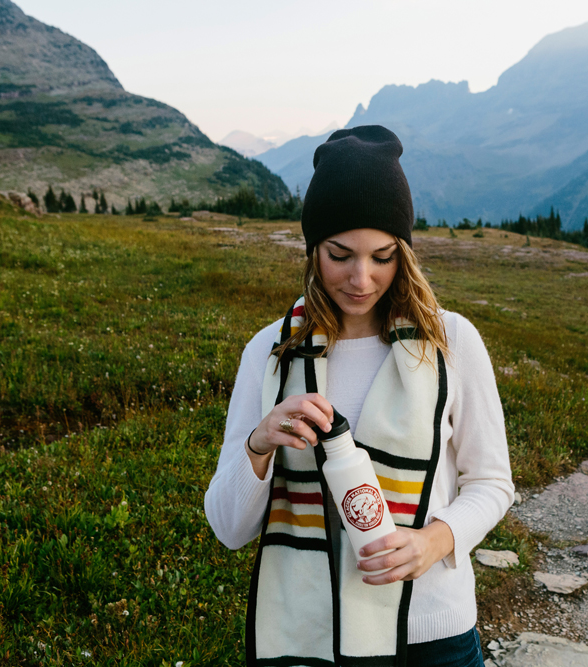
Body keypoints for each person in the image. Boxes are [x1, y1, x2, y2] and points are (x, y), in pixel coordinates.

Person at [204, 125, 514, 667]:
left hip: (431, 637)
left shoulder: (450, 341)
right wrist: (259, 445)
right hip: (311, 637)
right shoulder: (270, 352)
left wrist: (435, 541)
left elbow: (491, 482)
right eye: (340, 254)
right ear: (312, 250)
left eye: (383, 255)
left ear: (405, 253)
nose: (361, 278)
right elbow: (229, 528)